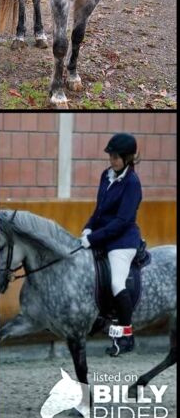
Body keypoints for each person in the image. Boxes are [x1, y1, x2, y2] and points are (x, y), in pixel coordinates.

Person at [79, 133, 142, 356]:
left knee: (117, 283)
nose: (112, 160)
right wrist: (88, 227)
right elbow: (99, 210)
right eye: (111, 156)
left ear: (127, 158)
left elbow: (122, 221)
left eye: (116, 157)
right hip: (102, 235)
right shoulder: (106, 175)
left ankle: (127, 336)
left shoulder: (132, 183)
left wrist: (93, 238)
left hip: (122, 241)